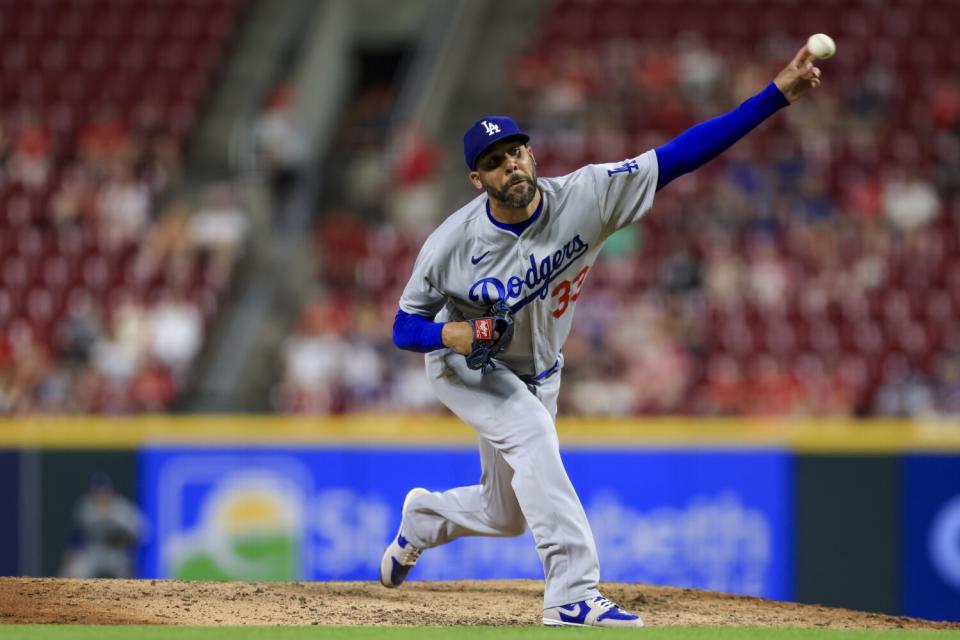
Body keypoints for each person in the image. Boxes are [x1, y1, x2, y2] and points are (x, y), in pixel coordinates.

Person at [380, 44, 824, 627]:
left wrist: (774, 97)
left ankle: (422, 518)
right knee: (535, 437)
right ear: (476, 178)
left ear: (531, 154)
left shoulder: (586, 196)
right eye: (494, 161)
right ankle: (571, 595)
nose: (510, 164)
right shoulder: (450, 244)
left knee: (505, 512)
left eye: (515, 151)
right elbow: (402, 327)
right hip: (469, 367)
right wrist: (453, 334)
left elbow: (680, 156)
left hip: (538, 370)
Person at [61, 472, 146, 579]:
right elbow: (76, 534)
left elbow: (143, 533)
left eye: (104, 491)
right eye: (97, 491)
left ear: (111, 491)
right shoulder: (86, 507)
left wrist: (130, 551)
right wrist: (72, 552)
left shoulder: (122, 509)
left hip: (117, 553)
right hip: (94, 551)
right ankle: (66, 594)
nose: (101, 495)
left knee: (126, 574)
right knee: (75, 568)